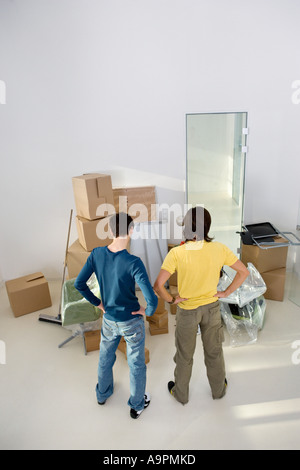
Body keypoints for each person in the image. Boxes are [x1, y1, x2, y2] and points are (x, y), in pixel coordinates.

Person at [154, 206, 249, 404]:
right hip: (212, 309)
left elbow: (158, 285)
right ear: (207, 226)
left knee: (184, 354)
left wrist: (172, 300)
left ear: (186, 227)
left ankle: (180, 394)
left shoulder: (177, 253)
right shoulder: (219, 248)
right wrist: (226, 292)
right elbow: (243, 272)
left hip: (187, 311)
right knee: (214, 352)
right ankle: (218, 391)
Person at [74, 212, 158, 419]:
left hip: (109, 319)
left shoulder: (96, 254)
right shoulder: (134, 262)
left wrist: (99, 303)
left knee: (105, 357)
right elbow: (152, 299)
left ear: (110, 231)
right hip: (131, 321)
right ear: (131, 231)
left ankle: (102, 394)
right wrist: (146, 311)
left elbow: (79, 284)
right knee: (136, 363)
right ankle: (137, 404)